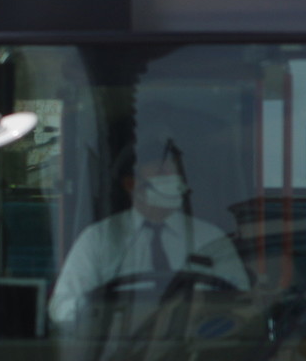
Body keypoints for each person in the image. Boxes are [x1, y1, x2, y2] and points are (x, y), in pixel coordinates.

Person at [47, 140, 249, 329]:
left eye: (175, 171)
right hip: (114, 354)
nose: (171, 178)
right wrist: (102, 313)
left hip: (191, 352)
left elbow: (241, 298)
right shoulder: (99, 239)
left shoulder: (210, 238)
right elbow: (63, 307)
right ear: (131, 184)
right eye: (161, 171)